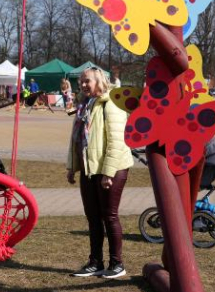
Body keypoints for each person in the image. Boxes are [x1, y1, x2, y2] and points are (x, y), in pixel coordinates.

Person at [66, 67, 133, 279]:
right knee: (93, 217)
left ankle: (117, 264)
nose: (83, 85)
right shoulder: (85, 105)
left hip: (112, 168)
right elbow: (76, 139)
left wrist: (109, 173)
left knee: (109, 216)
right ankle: (95, 262)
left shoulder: (111, 103)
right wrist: (72, 167)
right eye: (81, 81)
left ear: (99, 81)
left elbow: (117, 142)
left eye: (88, 81)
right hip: (89, 169)